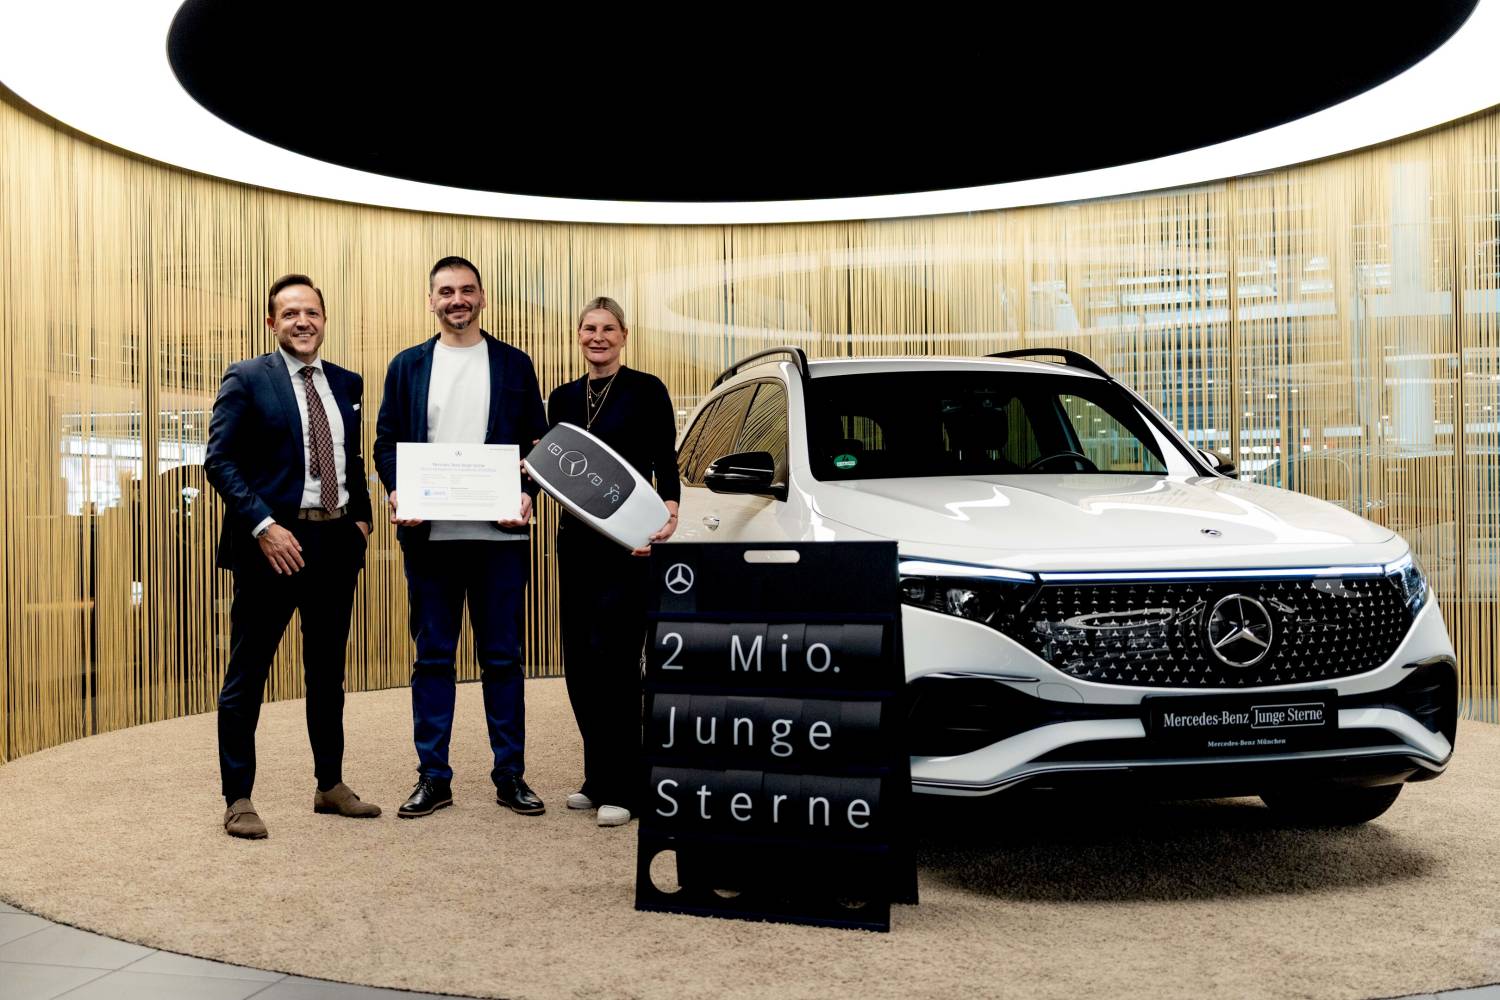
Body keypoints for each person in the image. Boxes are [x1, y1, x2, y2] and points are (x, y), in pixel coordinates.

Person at [205, 273, 380, 839]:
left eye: (312, 313)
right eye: (290, 313)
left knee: (328, 673)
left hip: (334, 545)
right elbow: (220, 460)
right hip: (271, 547)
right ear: (271, 322)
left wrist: (361, 520)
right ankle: (238, 798)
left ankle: (330, 784)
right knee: (248, 674)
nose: (302, 322)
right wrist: (264, 525)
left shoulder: (347, 382)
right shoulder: (247, 377)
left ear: (324, 319)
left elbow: (352, 459)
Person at [374, 255, 549, 819]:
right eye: (446, 291)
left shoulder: (515, 364)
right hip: (431, 539)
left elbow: (539, 444)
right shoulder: (407, 366)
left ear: (482, 297)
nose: (457, 300)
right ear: (431, 301)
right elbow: (385, 442)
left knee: (503, 659)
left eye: (467, 290)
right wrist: (398, 491)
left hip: (501, 540)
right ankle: (433, 777)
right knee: (433, 660)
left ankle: (510, 774)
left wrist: (528, 494)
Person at [547, 297, 679, 827]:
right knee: (580, 661)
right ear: (578, 335)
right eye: (588, 328)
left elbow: (665, 460)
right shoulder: (561, 398)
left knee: (618, 661)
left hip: (628, 545)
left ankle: (627, 785)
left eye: (607, 328)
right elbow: (554, 469)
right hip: (575, 545)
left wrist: (669, 513)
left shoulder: (647, 390)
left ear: (624, 335)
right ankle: (598, 775)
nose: (597, 337)